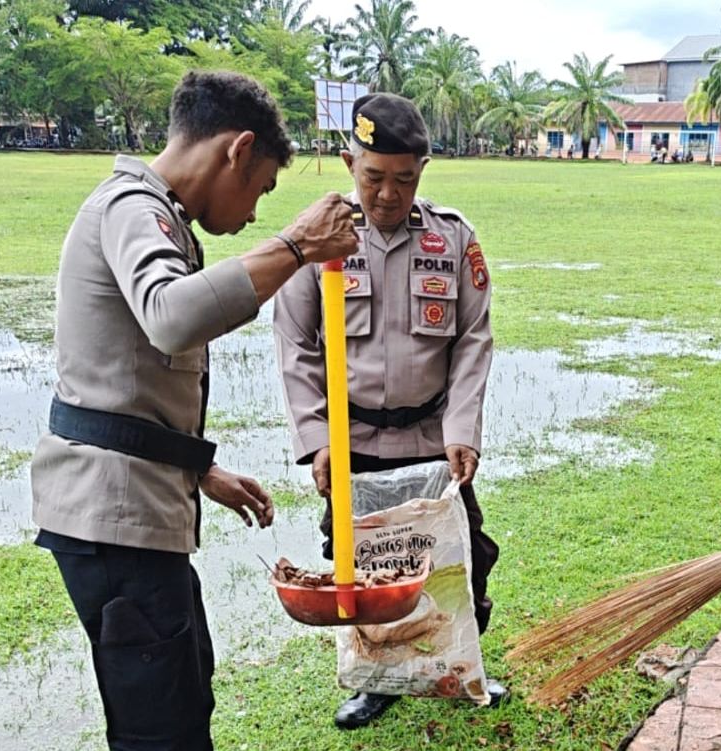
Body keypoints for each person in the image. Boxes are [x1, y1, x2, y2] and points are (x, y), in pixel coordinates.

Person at [29, 70, 360, 750]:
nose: (254, 213)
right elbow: (171, 318)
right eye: (261, 188)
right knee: (160, 730)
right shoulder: (131, 207)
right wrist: (295, 246)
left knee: (182, 696)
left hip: (137, 512)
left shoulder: (154, 214)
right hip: (115, 522)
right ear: (238, 150)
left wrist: (200, 469)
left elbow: (127, 384)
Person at [272, 92, 503, 730]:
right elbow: (294, 341)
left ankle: (459, 661)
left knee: (461, 554)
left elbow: (473, 339)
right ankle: (378, 679)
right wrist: (317, 438)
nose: (387, 194)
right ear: (351, 164)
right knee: (360, 565)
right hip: (352, 440)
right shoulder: (319, 238)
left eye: (404, 179)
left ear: (422, 171)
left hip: (432, 438)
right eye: (373, 176)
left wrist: (463, 429)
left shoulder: (451, 239)